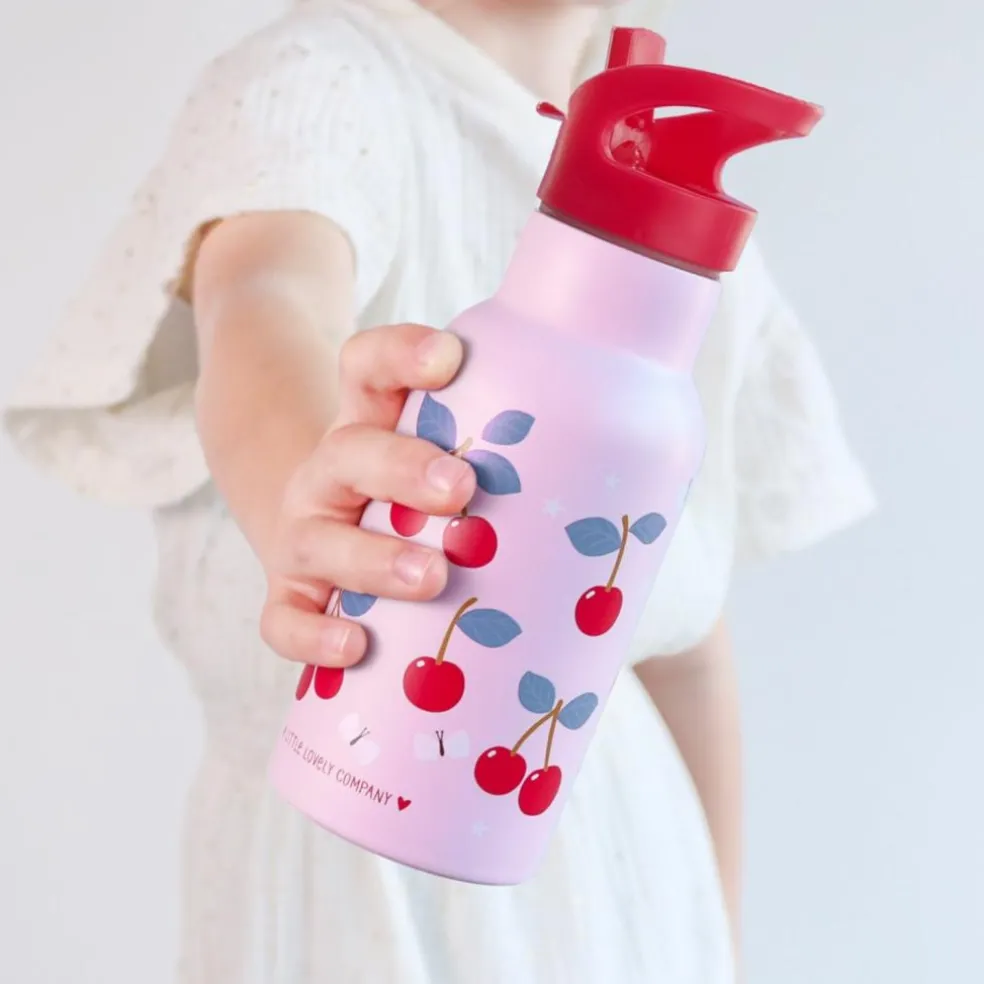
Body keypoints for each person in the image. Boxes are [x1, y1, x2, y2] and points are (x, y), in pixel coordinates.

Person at [3, 0, 876, 981]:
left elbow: (681, 644)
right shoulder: (320, 80)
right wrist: (309, 491)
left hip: (630, 884)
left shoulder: (687, 219)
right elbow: (264, 298)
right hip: (351, 877)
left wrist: (719, 939)